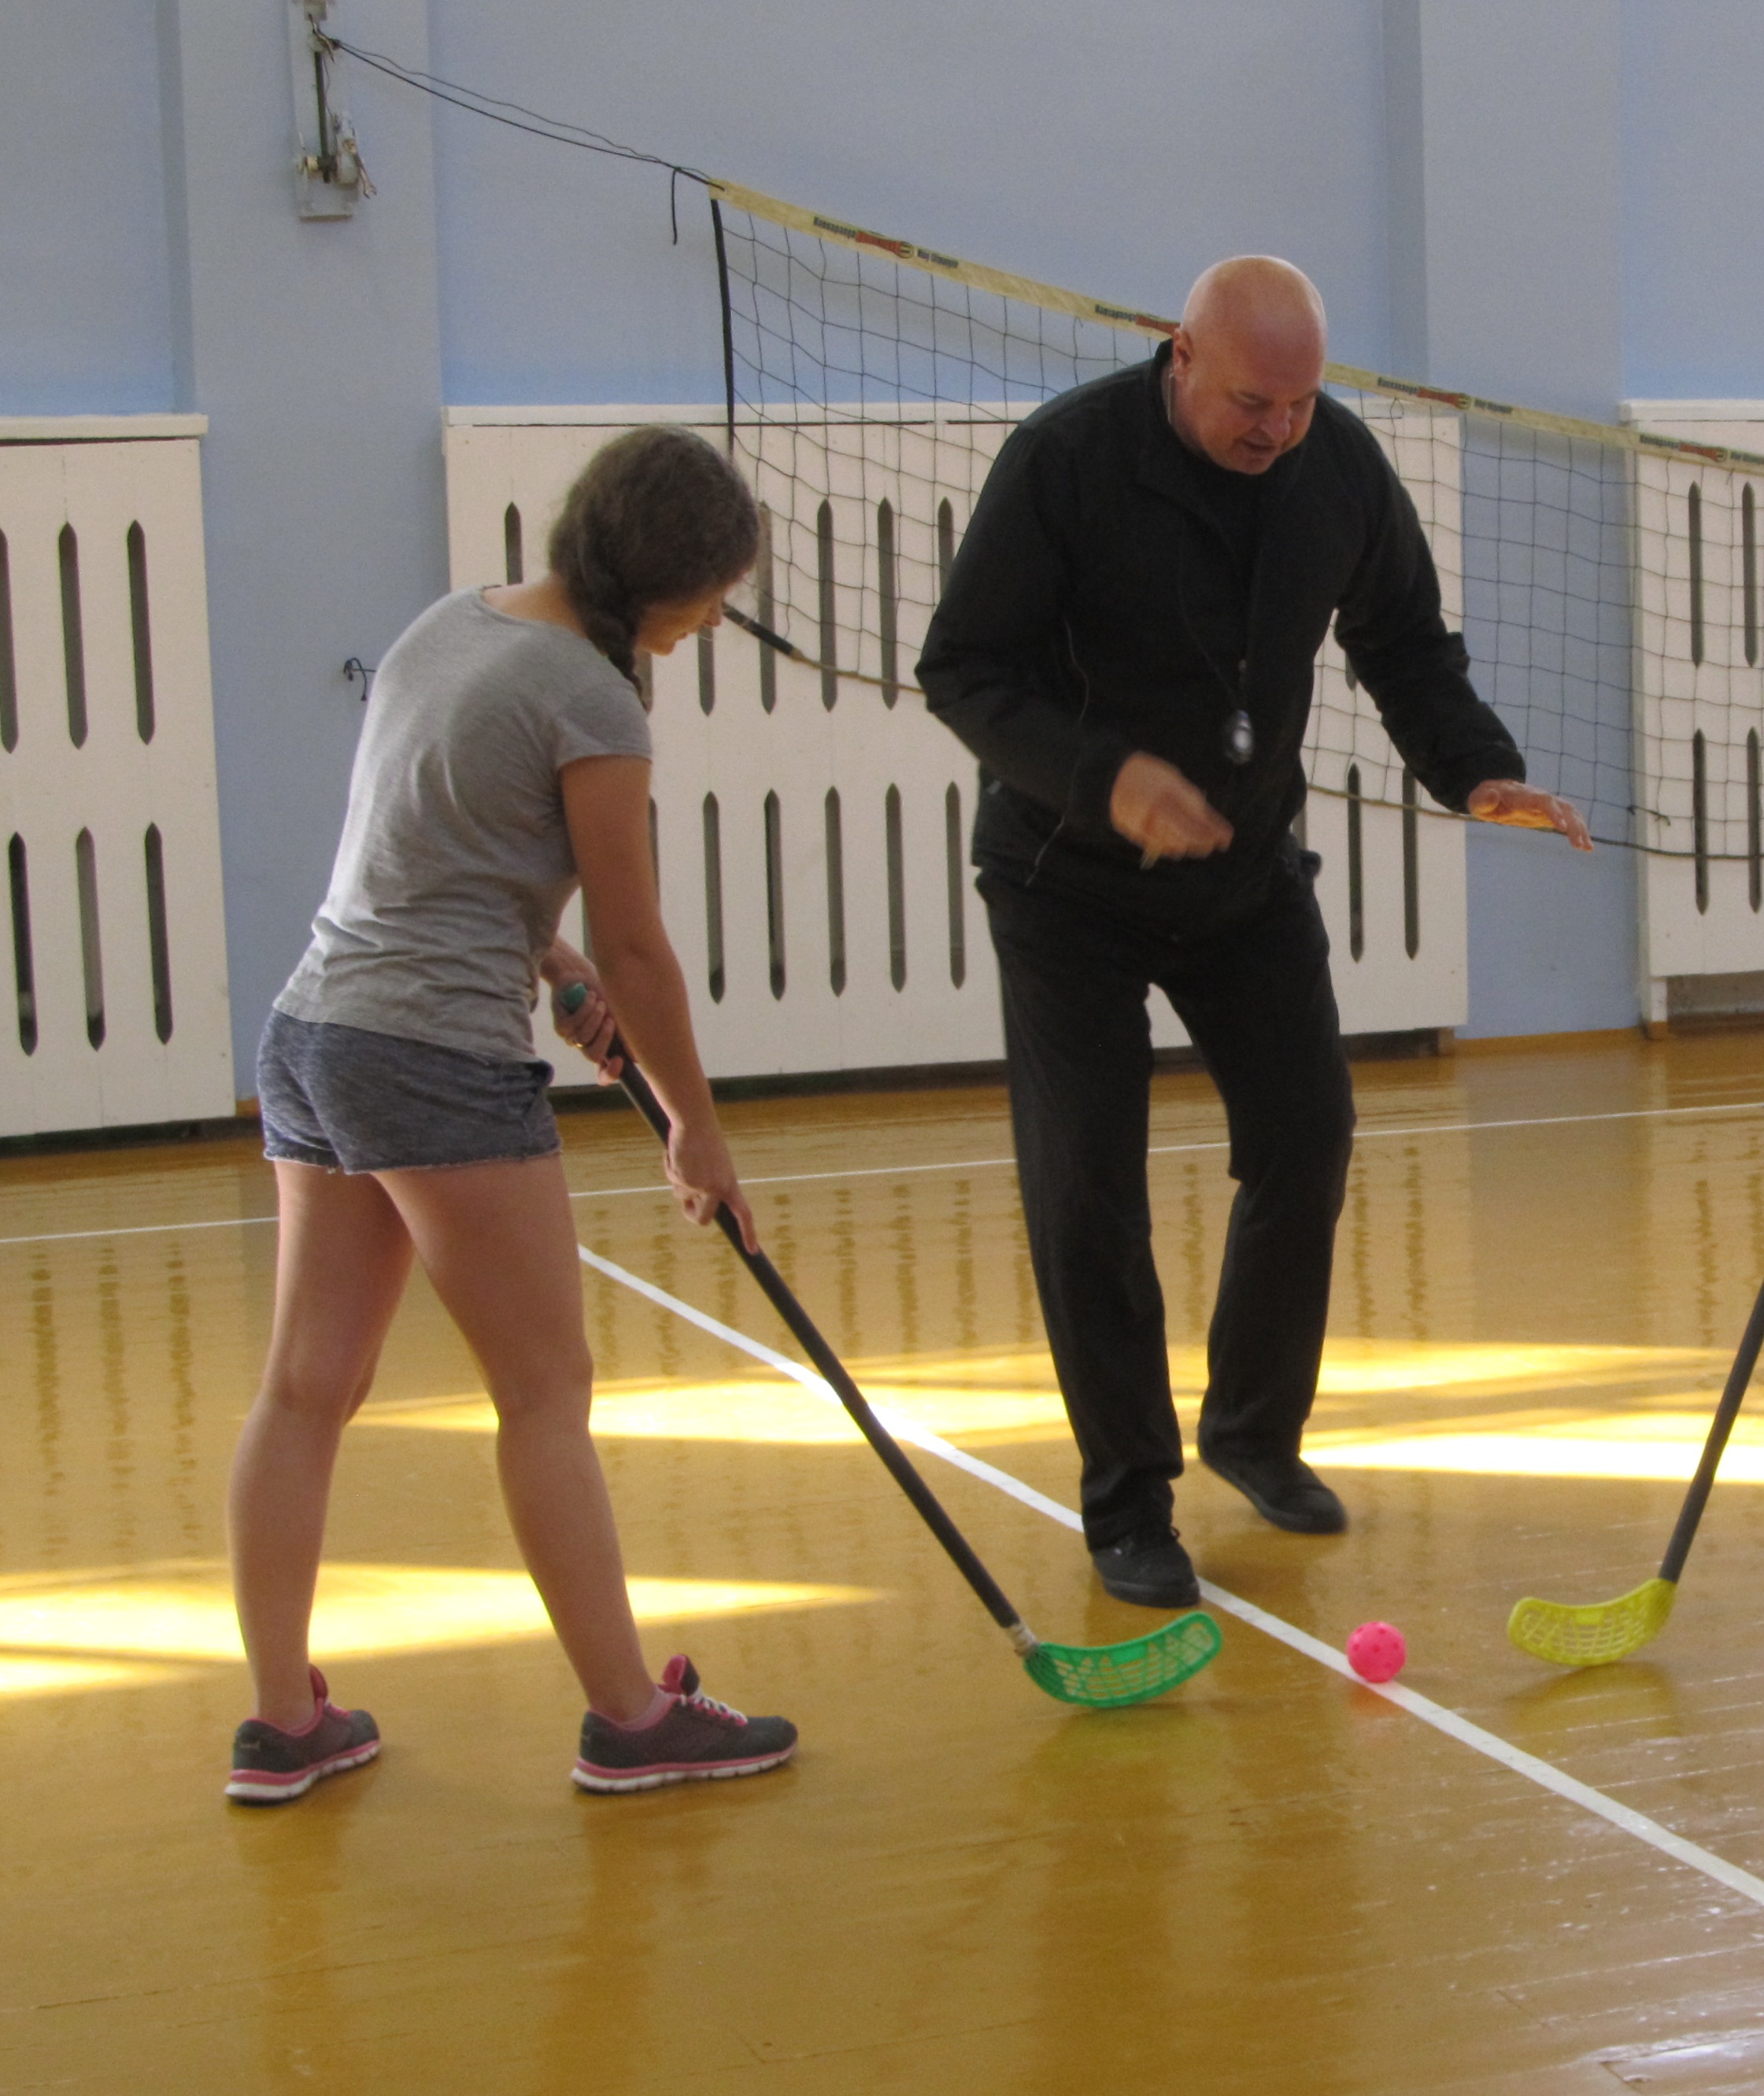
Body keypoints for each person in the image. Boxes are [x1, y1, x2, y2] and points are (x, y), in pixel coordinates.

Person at [918, 256, 1588, 1610]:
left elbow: (1404, 641)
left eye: (1296, 402)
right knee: (1088, 1184)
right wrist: (1106, 778)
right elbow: (962, 670)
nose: (1273, 428)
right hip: (1065, 881)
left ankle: (1254, 1434)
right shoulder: (1063, 462)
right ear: (1180, 355)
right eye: (1248, 401)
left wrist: (1475, 770)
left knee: (1308, 1131)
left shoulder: (1335, 469)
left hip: (1242, 874)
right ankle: (1127, 1503)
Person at [224, 426, 800, 1801]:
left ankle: (281, 1725)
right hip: (430, 1059)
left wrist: (548, 964)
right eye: (712, 594)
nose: (714, 619)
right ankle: (629, 1720)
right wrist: (692, 1125)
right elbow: (643, 943)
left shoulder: (453, 622)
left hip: (313, 1032)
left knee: (307, 1389)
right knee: (546, 1392)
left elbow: (425, 847)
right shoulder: (595, 699)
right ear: (663, 583)